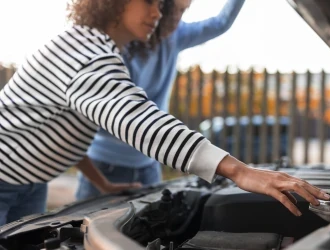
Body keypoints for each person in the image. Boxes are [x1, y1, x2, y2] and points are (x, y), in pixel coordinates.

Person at [0, 0, 330, 226]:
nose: (158, 13)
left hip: (31, 182)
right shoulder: (86, 54)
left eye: (161, 4)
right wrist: (239, 171)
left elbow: (62, 132)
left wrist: (102, 183)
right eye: (149, 1)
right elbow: (137, 118)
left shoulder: (94, 47)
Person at [76, 0, 246, 200]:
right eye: (175, 10)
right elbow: (121, 117)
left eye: (184, 11)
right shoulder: (115, 46)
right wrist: (235, 170)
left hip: (148, 164)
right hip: (105, 163)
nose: (177, 19)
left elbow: (220, 23)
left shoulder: (176, 35)